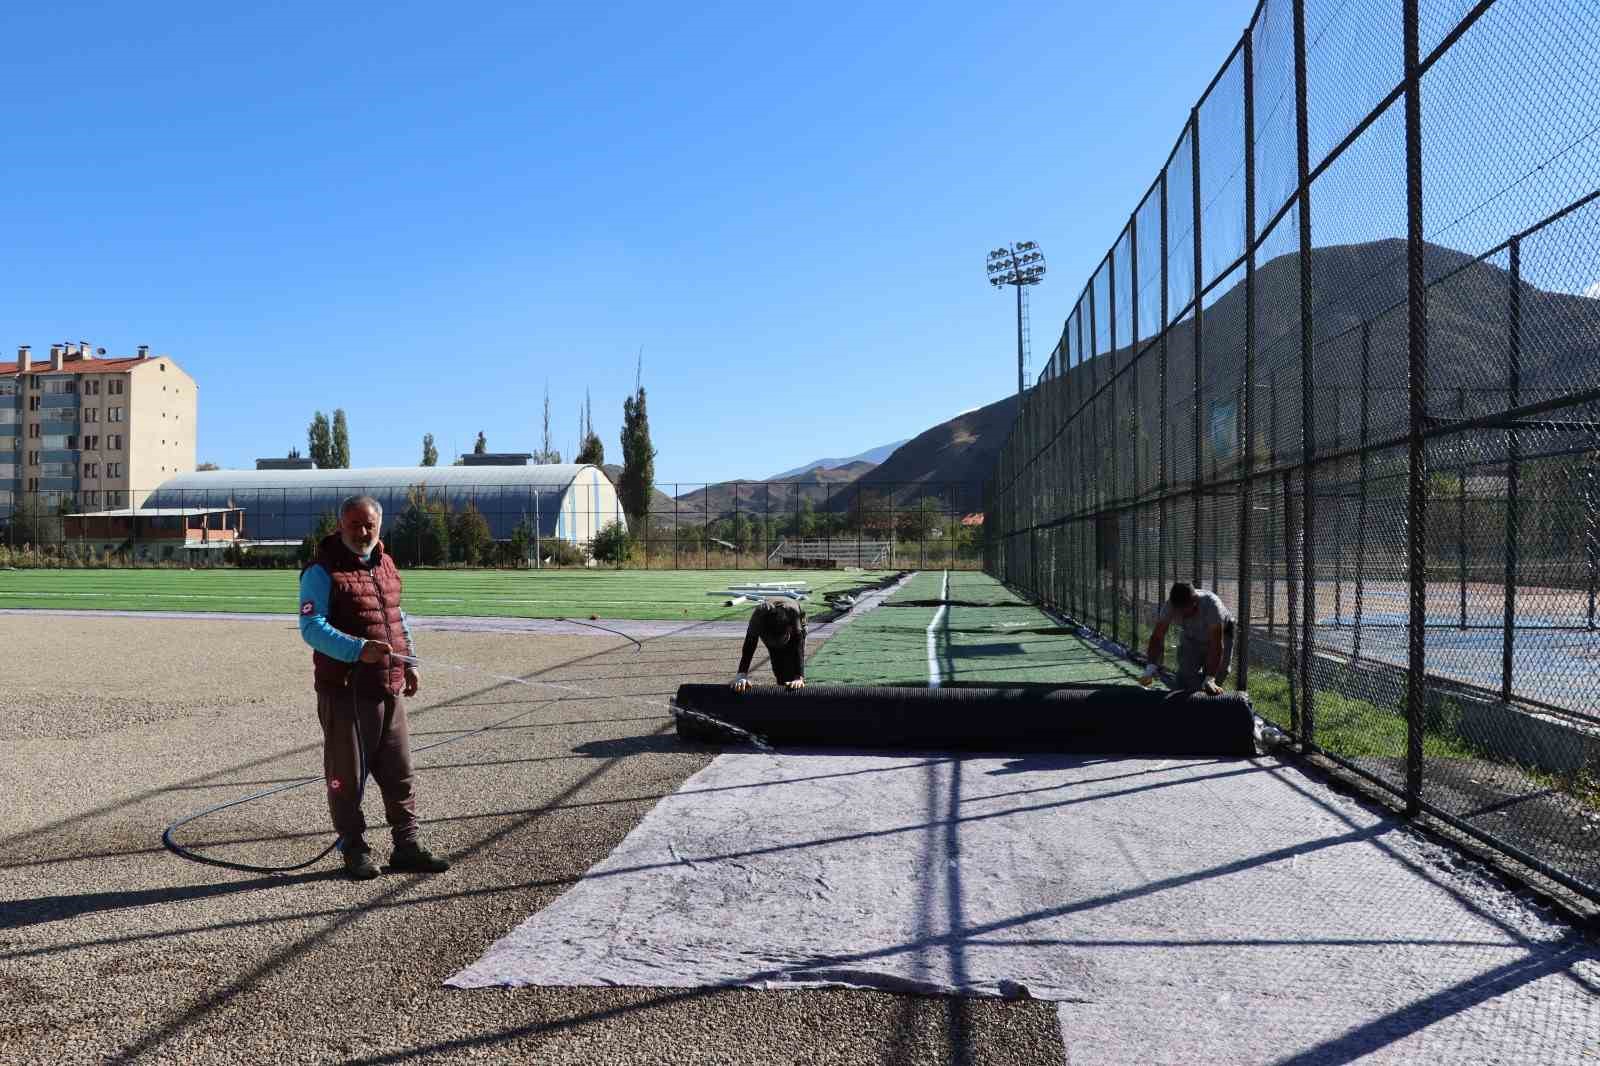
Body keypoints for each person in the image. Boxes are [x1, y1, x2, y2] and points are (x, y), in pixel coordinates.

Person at [299, 495, 450, 881]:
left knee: (400, 772)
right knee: (346, 777)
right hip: (345, 691)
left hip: (389, 685)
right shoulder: (321, 570)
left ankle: (407, 845)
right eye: (354, 524)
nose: (362, 532)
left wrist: (409, 660)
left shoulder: (385, 563)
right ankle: (354, 848)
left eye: (369, 524)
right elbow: (311, 628)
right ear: (340, 524)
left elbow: (397, 617)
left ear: (379, 525)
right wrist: (356, 650)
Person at [1142, 581, 1236, 695]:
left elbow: (1216, 645)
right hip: (1192, 637)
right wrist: (1150, 668)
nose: (1181, 614)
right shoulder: (1170, 607)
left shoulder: (1211, 605)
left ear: (1195, 601)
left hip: (1221, 635)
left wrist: (1210, 678)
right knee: (1185, 678)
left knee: (1215, 680)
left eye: (1184, 610)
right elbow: (1157, 637)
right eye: (1178, 610)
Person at [731, 597, 807, 693]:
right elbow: (749, 645)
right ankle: (781, 684)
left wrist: (799, 677)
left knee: (791, 663)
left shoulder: (793, 615)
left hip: (795, 620)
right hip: (769, 629)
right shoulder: (758, 617)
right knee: (778, 666)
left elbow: (798, 646)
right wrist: (741, 675)